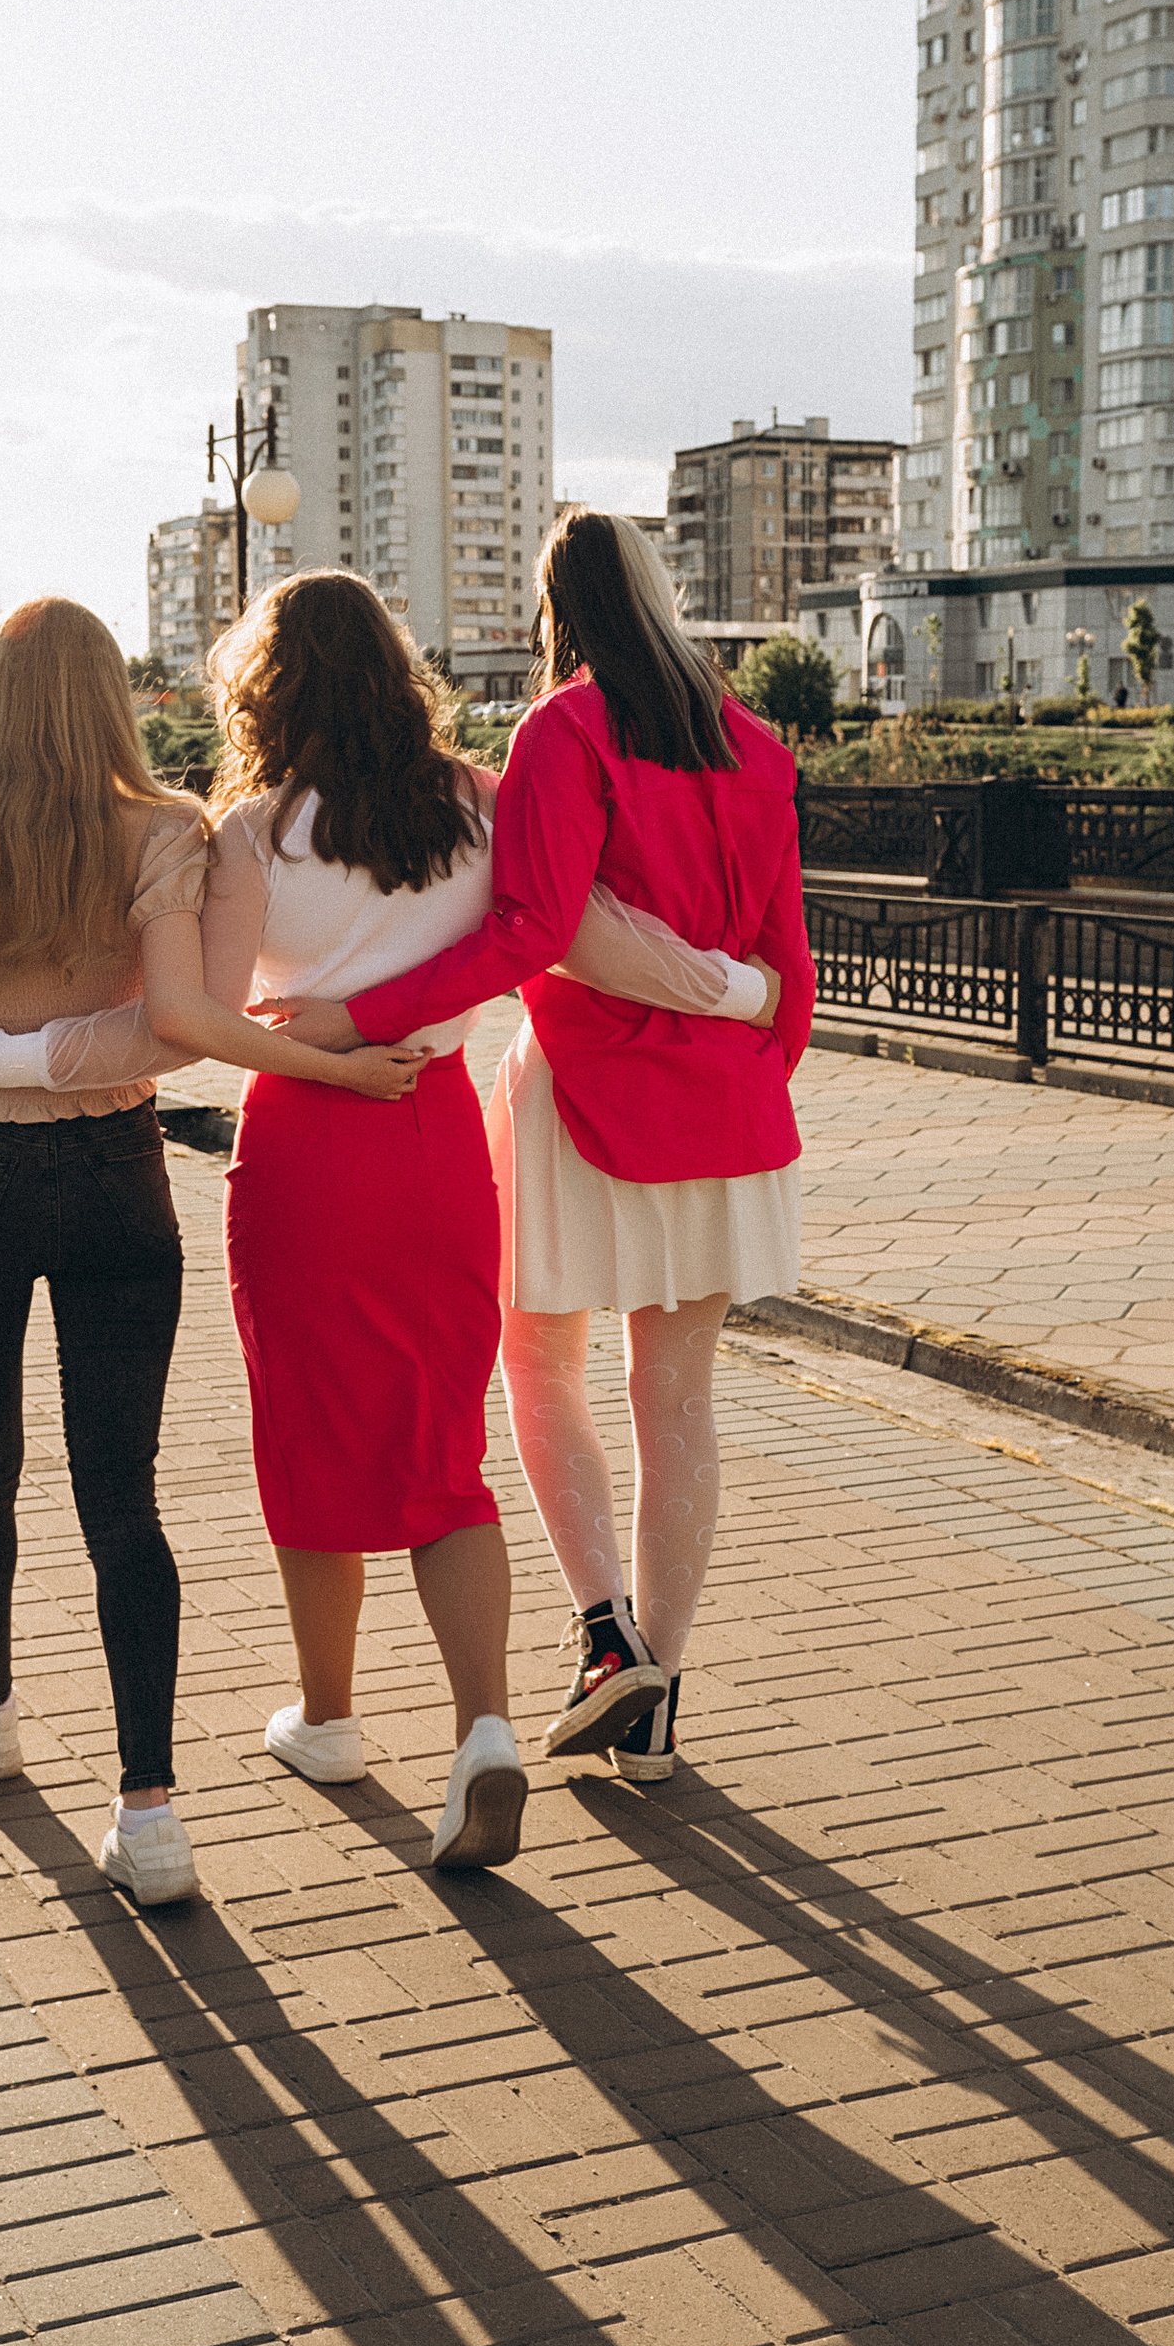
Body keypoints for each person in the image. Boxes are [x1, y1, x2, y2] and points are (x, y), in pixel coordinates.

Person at [0, 568, 770, 1870]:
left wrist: (285, 1036)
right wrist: (742, 985)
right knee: (445, 1446)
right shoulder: (481, 804)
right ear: (397, 668)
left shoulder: (254, 831)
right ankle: (485, 1728)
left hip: (310, 1141)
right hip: (442, 1131)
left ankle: (329, 1719)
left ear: (264, 687)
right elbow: (576, 936)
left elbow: (203, 1020)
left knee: (314, 1435)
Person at [0, 594, 416, 1919]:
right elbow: (176, 1031)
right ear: (109, 696)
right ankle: (149, 1810)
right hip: (119, 1180)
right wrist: (72, 1053)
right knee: (124, 1492)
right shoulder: (164, 834)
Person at [295, 512, 812, 1789]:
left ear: (554, 605)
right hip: (734, 1112)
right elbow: (790, 978)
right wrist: (741, 1047)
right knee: (678, 1397)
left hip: (584, 1094)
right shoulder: (756, 747)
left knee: (536, 1362)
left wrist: (357, 1015)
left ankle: (602, 1635)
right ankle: (655, 1705)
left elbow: (528, 931)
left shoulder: (564, 732)